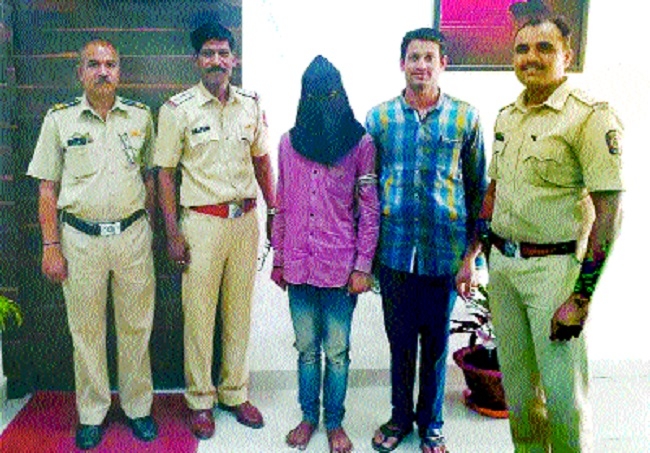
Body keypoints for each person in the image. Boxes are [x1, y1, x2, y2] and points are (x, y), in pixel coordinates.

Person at [465, 15, 623, 452]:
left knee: (563, 396)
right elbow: (494, 190)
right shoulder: (507, 117)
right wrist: (479, 253)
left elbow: (610, 213)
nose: (531, 57)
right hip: (504, 270)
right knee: (519, 395)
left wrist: (581, 297)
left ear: (567, 56)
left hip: (553, 273)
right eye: (522, 49)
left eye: (544, 47)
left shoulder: (589, 117)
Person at [26, 39, 158, 450]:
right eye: (94, 64)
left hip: (132, 237)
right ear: (80, 73)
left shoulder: (141, 116)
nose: (103, 71)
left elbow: (150, 177)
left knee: (137, 326)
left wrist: (149, 229)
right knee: (85, 330)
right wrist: (51, 245)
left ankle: (138, 407)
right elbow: (47, 188)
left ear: (119, 71)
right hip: (80, 240)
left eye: (110, 64)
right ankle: (92, 412)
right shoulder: (60, 119)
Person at [366, 28, 488, 453]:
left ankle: (432, 424)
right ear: (402, 63)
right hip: (395, 252)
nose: (421, 65)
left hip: (444, 253)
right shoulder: (379, 119)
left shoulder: (466, 118)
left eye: (429, 57)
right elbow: (368, 189)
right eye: (414, 57)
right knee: (400, 344)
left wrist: (471, 258)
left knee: (435, 346)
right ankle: (400, 418)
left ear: (443, 64)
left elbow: (478, 190)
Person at [153, 21, 276, 440]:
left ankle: (234, 392)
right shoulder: (178, 110)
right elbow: (165, 174)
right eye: (208, 53)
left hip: (244, 222)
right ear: (196, 60)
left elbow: (262, 161)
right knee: (199, 316)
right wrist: (172, 233)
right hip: (201, 224)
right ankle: (200, 399)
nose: (216, 61)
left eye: (223, 53)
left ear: (233, 60)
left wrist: (274, 209)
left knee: (239, 313)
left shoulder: (250, 105)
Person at [271, 55, 380, 453]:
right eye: (315, 96)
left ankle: (334, 422)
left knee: (336, 353)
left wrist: (363, 267)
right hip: (298, 265)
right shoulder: (288, 143)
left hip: (340, 268)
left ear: (342, 95)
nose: (323, 104)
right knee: (305, 350)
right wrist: (279, 259)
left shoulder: (360, 144)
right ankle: (308, 417)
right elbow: (282, 203)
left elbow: (370, 210)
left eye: (330, 95)